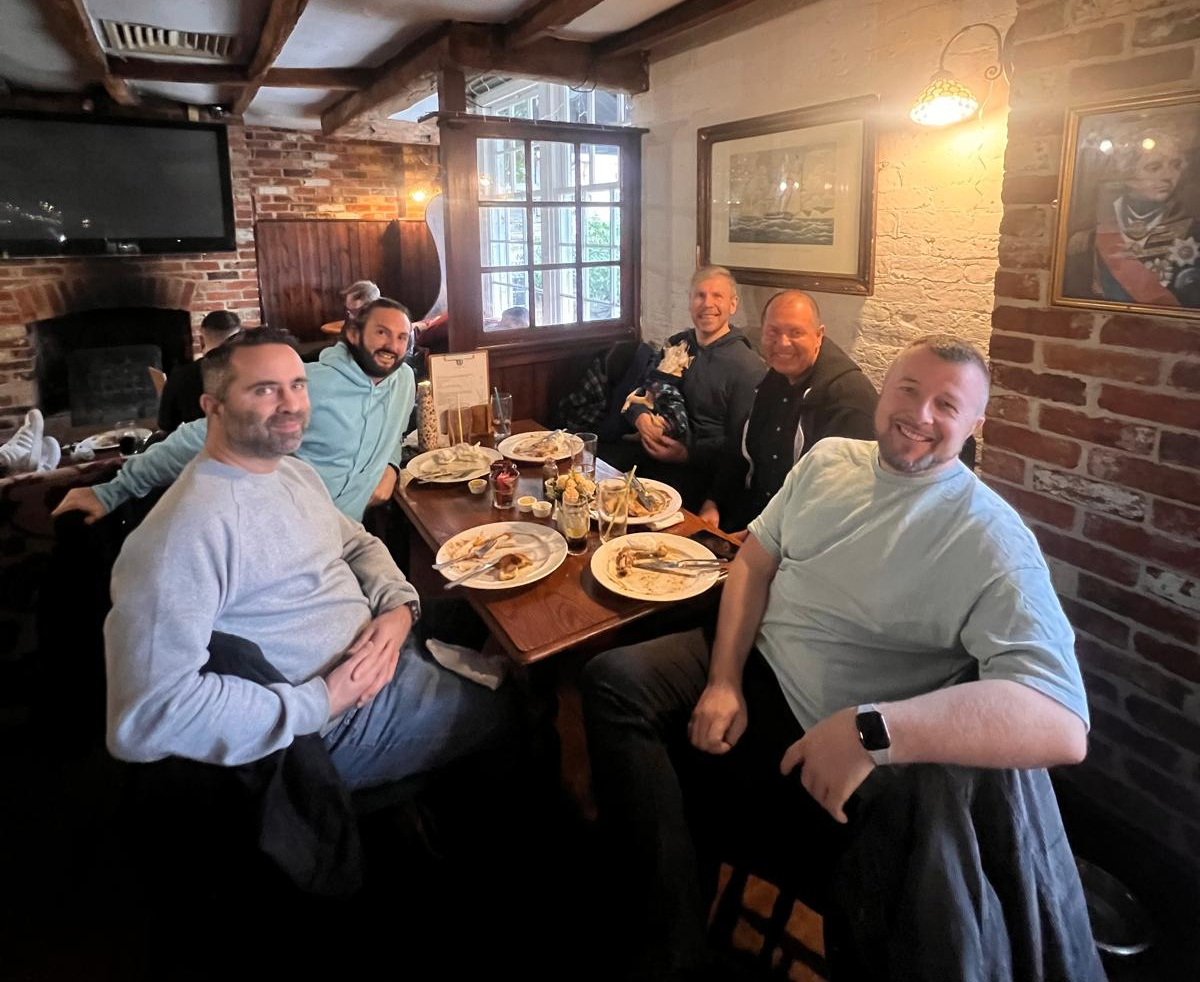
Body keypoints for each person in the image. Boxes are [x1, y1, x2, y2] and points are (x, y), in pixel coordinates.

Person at [582, 336, 1097, 980]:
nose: (920, 414)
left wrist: (871, 731)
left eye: (946, 405)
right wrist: (724, 679)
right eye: (908, 390)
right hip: (758, 663)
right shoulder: (829, 460)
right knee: (612, 679)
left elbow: (1060, 722)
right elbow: (753, 564)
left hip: (842, 737)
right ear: (884, 391)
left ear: (975, 424)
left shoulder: (990, 536)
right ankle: (670, 936)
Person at [104, 327, 515, 791]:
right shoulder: (180, 536)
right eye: (265, 390)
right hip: (337, 723)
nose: (292, 404)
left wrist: (400, 608)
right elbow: (145, 718)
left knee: (493, 612)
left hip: (381, 639)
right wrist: (317, 703)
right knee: (517, 706)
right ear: (213, 407)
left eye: (298, 385)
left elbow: (357, 544)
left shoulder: (291, 472)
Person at [53, 298, 415, 524]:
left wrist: (391, 467)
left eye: (401, 337)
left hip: (347, 535)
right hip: (283, 530)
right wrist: (114, 490)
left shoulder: (404, 381)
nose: (392, 346)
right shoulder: (304, 385)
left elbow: (395, 434)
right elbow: (202, 436)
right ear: (353, 334)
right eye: (382, 333)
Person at [698, 290, 877, 533]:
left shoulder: (849, 398)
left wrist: (762, 539)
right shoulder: (775, 377)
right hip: (754, 520)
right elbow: (740, 450)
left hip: (804, 536)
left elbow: (841, 501)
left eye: (796, 332)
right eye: (773, 332)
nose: (782, 343)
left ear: (819, 335)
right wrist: (713, 502)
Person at [602, 266, 766, 508]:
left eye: (717, 296)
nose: (707, 304)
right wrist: (640, 418)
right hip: (648, 455)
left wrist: (686, 454)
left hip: (701, 472)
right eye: (700, 295)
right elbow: (639, 392)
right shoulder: (677, 344)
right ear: (689, 302)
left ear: (733, 305)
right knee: (597, 488)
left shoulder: (747, 367)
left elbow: (740, 447)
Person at [1063, 117, 1200, 309]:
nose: (1169, 176)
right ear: (1126, 173)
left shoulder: (1193, 231)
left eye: (1176, 165)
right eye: (1154, 167)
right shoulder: (1086, 236)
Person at [156, 310, 243, 433]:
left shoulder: (180, 376)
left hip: (197, 443)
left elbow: (166, 427)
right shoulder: (254, 374)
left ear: (201, 341)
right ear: (239, 339)